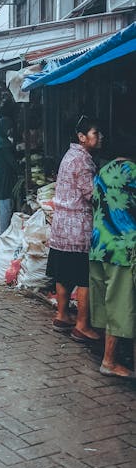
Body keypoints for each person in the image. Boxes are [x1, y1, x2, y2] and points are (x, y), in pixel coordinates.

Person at [47, 115, 102, 342]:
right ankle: (81, 325)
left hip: (61, 227)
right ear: (82, 137)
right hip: (77, 228)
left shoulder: (70, 155)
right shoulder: (84, 161)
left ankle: (62, 315)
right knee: (83, 277)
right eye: (95, 133)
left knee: (63, 273)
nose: (100, 137)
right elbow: (92, 194)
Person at [89, 141, 136, 378]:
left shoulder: (102, 171)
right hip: (121, 248)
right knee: (120, 303)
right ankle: (109, 360)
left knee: (106, 302)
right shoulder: (131, 171)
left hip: (99, 245)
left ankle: (108, 354)